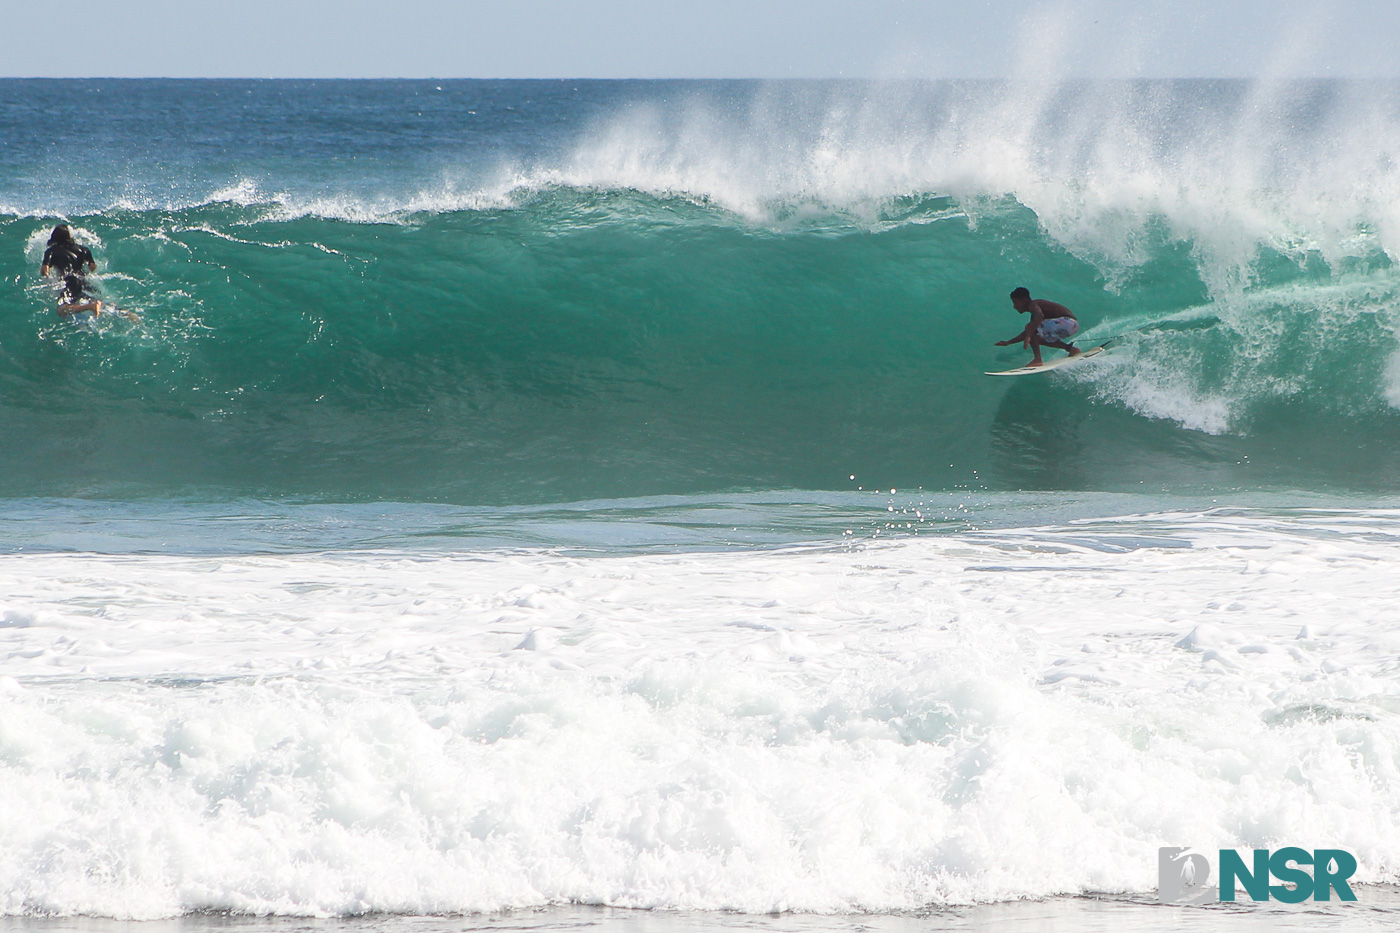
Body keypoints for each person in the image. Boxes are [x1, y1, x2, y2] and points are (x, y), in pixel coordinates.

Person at [994, 286, 1082, 368]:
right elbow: (1028, 331)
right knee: (1038, 338)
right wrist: (1008, 342)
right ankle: (1071, 349)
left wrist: (1029, 335)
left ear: (1024, 300)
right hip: (1072, 325)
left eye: (1015, 302)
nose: (1014, 306)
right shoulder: (1034, 315)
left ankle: (1037, 359)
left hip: (1067, 322)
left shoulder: (1033, 305)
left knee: (1031, 329)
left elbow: (1039, 315)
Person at [40, 224, 103, 318]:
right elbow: (92, 267)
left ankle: (90, 307)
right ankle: (128, 314)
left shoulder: (51, 251)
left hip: (70, 282)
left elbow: (45, 270)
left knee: (61, 310)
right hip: (83, 280)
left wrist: (48, 280)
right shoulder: (83, 249)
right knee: (100, 302)